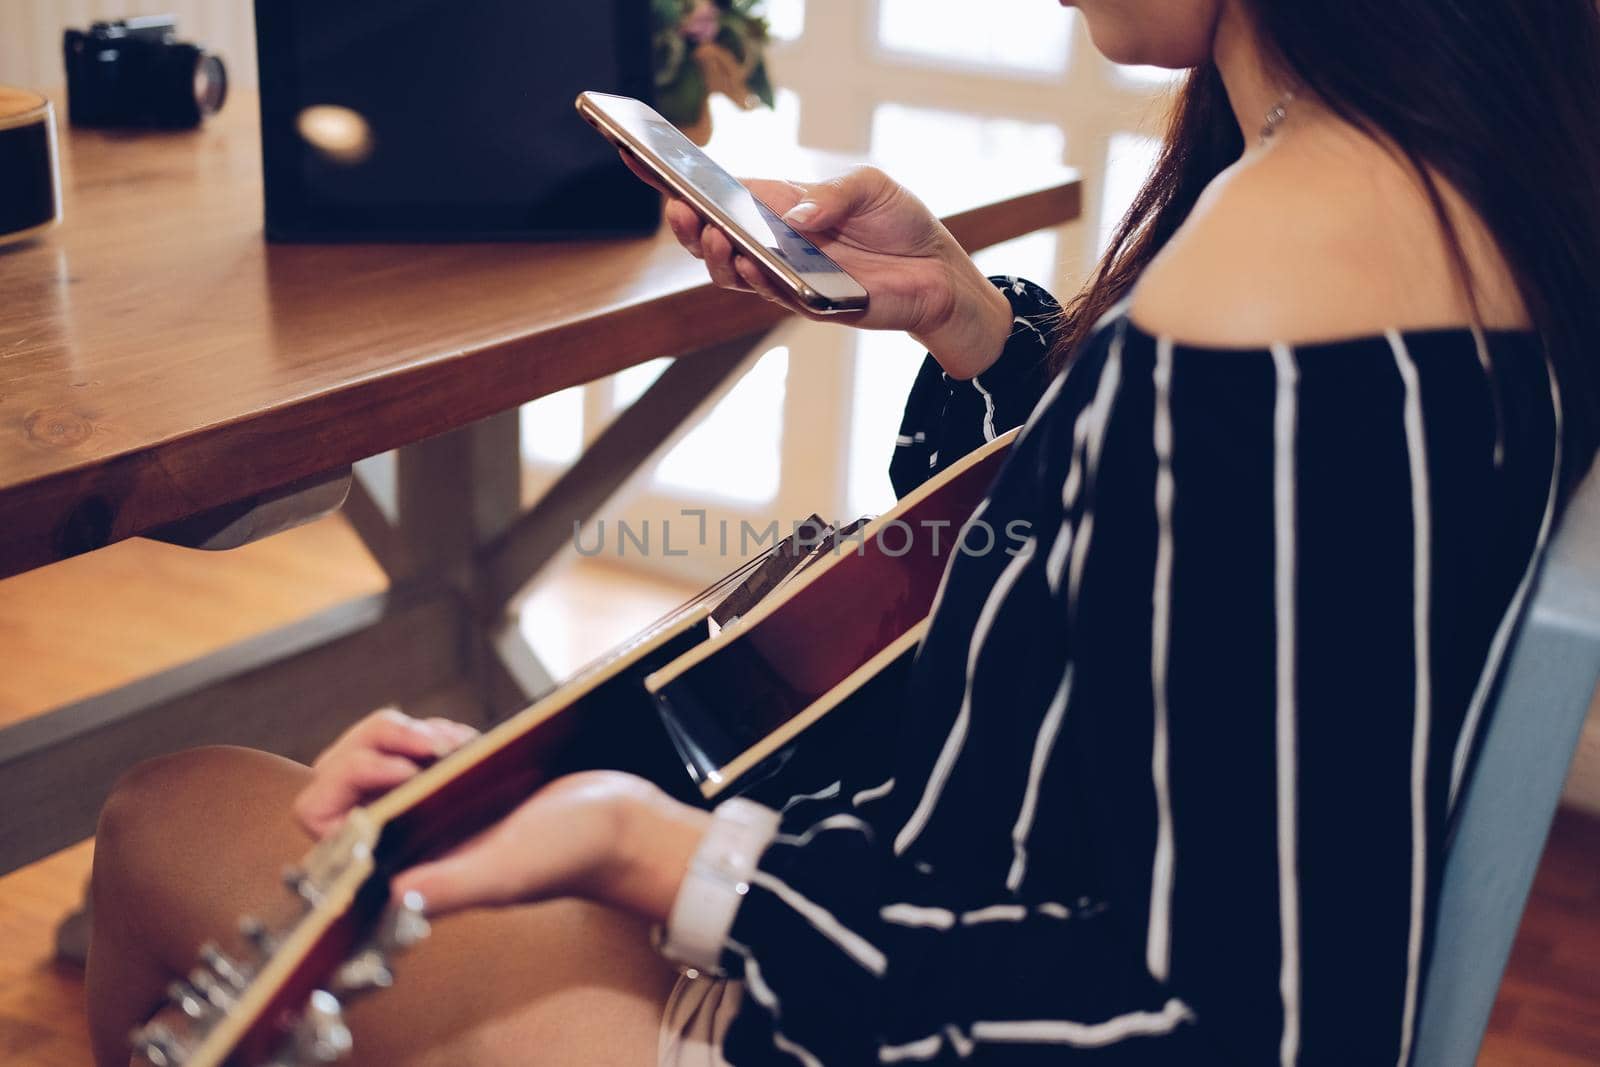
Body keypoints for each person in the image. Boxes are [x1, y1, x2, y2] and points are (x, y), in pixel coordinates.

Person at [87, 0, 1600, 1064]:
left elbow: (1231, 1032)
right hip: (904, 914)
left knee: (168, 818)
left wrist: (658, 853)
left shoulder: (1280, 278)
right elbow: (1156, 561)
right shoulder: (1442, 191)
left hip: (884, 1009)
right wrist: (968, 318)